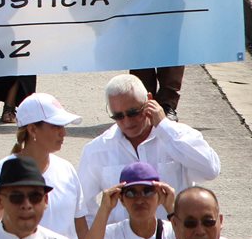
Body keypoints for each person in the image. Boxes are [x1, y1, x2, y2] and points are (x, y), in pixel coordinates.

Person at [77, 74, 220, 225]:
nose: (127, 122)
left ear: (149, 101)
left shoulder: (179, 135)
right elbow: (81, 204)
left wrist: (165, 128)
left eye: (133, 113)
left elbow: (210, 170)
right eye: (118, 116)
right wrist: (101, 238)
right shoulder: (97, 150)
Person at [0, 93, 88, 239]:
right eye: (56, 126)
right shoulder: (0, 173)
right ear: (32, 130)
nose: (63, 133)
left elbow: (81, 229)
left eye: (63, 127)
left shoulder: (67, 170)